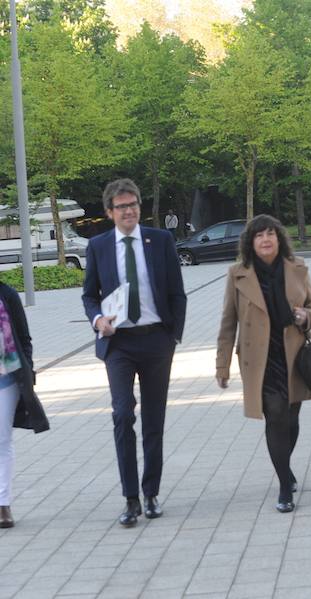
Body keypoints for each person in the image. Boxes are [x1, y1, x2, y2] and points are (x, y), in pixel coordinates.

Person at [82, 178, 187, 527]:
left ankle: (151, 493)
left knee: (154, 420)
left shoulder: (160, 240)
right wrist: (98, 320)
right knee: (123, 415)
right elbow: (89, 295)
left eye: (133, 205)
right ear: (110, 212)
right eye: (121, 207)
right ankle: (130, 499)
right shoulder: (97, 246)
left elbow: (177, 291)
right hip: (119, 344)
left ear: (139, 208)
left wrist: (173, 335)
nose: (128, 211)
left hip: (156, 341)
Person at [215, 214, 311, 513]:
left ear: (278, 238)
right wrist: (222, 366)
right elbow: (227, 323)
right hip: (260, 360)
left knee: (292, 419)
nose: (265, 240)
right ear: (250, 241)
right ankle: (285, 486)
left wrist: (306, 316)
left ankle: (284, 470)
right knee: (275, 416)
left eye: (270, 234)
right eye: (259, 235)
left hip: (295, 354)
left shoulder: (297, 268)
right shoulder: (238, 274)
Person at [0, 282, 49, 528]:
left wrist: (27, 373)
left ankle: (3, 504)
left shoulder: (6, 295)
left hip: (6, 378)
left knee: (2, 439)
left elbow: (24, 337)